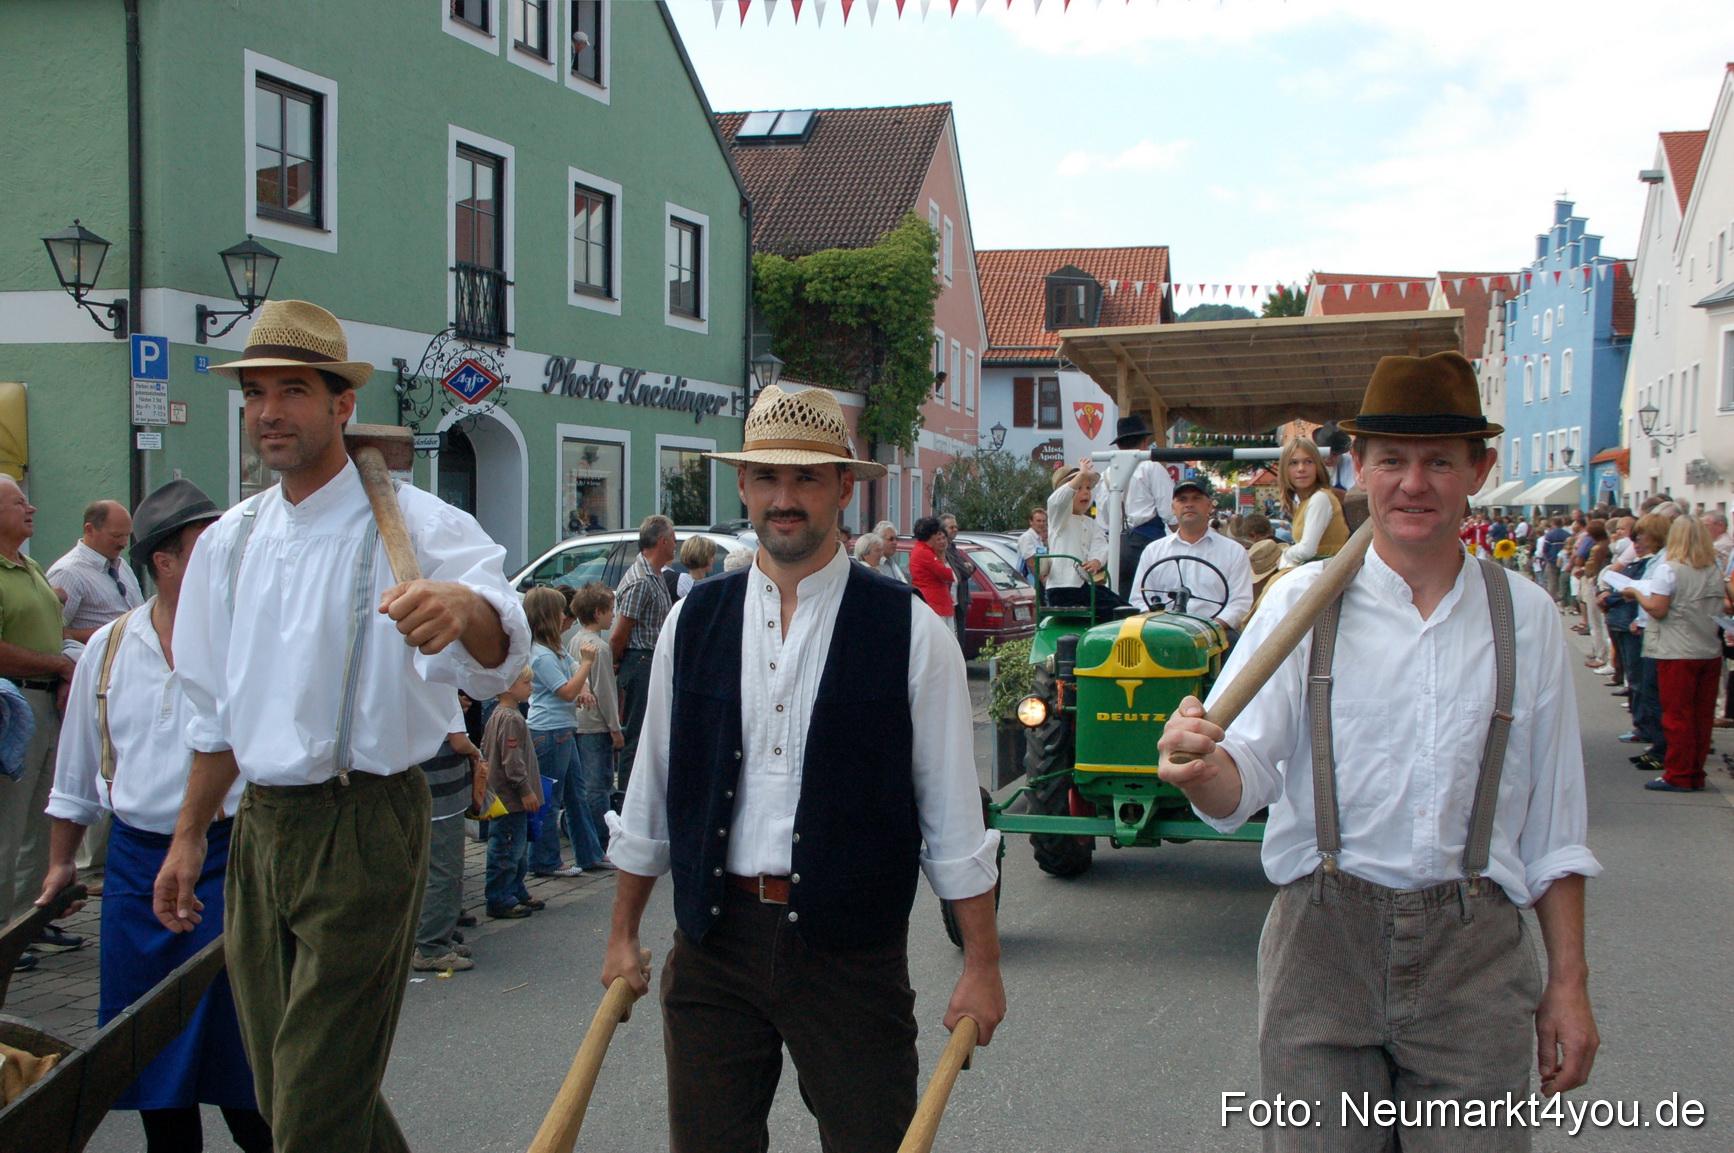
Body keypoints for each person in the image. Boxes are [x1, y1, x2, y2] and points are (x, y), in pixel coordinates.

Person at [1158, 351, 1601, 1150]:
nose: (1413, 483)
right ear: (1357, 467)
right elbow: (1242, 782)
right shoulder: (1299, 602)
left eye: (1439, 461)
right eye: (1391, 459)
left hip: (1478, 961)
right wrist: (1199, 768)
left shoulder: (1525, 618)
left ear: (1479, 469)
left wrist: (1568, 982)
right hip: (1322, 947)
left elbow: (1554, 830)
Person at [153, 300, 529, 1153]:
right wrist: (186, 840)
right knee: (295, 1086)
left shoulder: (415, 522)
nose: (271, 412)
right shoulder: (229, 542)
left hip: (364, 820)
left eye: (293, 391)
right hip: (261, 828)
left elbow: (505, 654)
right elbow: (212, 714)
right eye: (255, 394)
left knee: (314, 1106)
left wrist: (461, 606)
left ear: (341, 405)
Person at [601, 384, 1003, 1153]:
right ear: (744, 486)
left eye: (807, 478)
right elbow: (652, 791)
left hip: (850, 954)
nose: (784, 498)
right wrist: (623, 933)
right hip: (714, 944)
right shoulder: (697, 618)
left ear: (843, 488)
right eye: (767, 478)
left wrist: (980, 964)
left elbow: (955, 822)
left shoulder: (911, 632)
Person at [40, 479, 272, 1153]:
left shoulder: (247, 644)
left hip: (234, 860)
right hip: (138, 869)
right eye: (208, 549)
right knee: (150, 1063)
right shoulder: (108, 650)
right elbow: (76, 774)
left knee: (247, 1065)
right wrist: (61, 862)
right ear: (163, 561)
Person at [0, 475, 78, 973]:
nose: (31, 508)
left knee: (37, 824)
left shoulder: (26, 565)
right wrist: (58, 666)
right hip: (13, 708)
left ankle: (23, 923)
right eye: (18, 502)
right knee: (7, 826)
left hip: (45, 706)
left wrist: (66, 666)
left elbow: (55, 633)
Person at [1624, 516, 1723, 792]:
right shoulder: (1713, 569)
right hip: (1708, 648)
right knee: (1701, 716)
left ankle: (1678, 773)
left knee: (1677, 715)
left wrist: (1636, 593)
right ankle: (1694, 771)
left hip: (1677, 649)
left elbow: (1658, 608)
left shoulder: (1670, 569)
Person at [524, 587, 603, 878]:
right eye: (559, 611)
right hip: (548, 731)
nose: (563, 616)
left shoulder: (554, 649)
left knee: (576, 795)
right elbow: (567, 690)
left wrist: (582, 684)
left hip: (562, 731)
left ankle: (590, 853)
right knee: (550, 798)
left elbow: (573, 678)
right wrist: (586, 665)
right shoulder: (541, 655)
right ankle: (545, 860)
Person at [1130, 480, 1254, 633]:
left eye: (1196, 499)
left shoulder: (1234, 551)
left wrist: (1209, 629)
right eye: (1182, 500)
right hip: (1161, 634)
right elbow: (1139, 598)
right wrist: (1159, 627)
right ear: (1173, 508)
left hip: (1215, 635)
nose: (1189, 504)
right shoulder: (1153, 551)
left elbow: (1240, 602)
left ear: (1209, 506)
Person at [611, 515, 675, 794]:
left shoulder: (656, 574)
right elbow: (619, 632)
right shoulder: (641, 580)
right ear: (661, 541)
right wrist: (614, 662)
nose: (675, 545)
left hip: (650, 660)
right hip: (640, 661)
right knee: (635, 734)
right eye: (673, 539)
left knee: (648, 732)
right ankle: (626, 799)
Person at [413, 723, 483, 972]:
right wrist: (475, 750)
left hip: (433, 792)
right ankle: (431, 946)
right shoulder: (441, 690)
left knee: (438, 870)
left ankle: (439, 938)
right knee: (445, 871)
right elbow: (458, 741)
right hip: (441, 797)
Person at [568, 583, 622, 864]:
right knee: (598, 785)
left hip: (576, 721)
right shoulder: (600, 648)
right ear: (598, 612)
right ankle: (600, 843)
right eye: (611, 611)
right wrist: (615, 727)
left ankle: (587, 839)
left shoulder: (574, 640)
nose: (614, 616)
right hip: (595, 724)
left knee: (585, 784)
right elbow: (605, 692)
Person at [483, 668, 543, 919]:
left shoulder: (501, 715)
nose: (531, 687)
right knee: (506, 849)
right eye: (526, 683)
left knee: (517, 848)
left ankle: (516, 890)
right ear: (508, 687)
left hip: (508, 798)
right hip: (510, 798)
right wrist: (525, 790)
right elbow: (512, 761)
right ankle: (499, 897)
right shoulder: (510, 718)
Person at [1093, 415, 1174, 598]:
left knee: (1121, 600)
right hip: (1149, 544)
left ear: (1119, 446)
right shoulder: (1151, 468)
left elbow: (1103, 523)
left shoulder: (1106, 476)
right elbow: (1170, 513)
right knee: (1154, 599)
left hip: (1117, 548)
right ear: (1145, 443)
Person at [46, 498, 144, 645]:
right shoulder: (68, 573)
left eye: (127, 535)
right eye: (116, 536)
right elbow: (51, 632)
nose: (124, 543)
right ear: (89, 530)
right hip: (96, 663)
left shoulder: (121, 565)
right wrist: (110, 632)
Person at [1276, 437, 1348, 569]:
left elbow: (1307, 550)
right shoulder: (1305, 502)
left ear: (1317, 466)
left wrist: (1284, 554)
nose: (1301, 468)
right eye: (1293, 463)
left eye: (1308, 462)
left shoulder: (1319, 498)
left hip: (1324, 574)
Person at [1043, 459, 1110, 590]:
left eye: (1088, 488)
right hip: (1063, 586)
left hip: (1085, 585)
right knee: (1111, 607)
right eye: (1078, 488)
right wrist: (1081, 475)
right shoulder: (1059, 518)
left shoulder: (1090, 522)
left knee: (1120, 606)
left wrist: (1096, 561)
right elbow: (1057, 501)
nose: (1086, 492)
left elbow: (1099, 543)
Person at [909, 516, 956, 622]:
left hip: (937, 602)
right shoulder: (924, 552)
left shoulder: (925, 550)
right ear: (932, 534)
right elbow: (946, 574)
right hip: (934, 603)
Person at [940, 514, 976, 649]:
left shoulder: (953, 548)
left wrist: (967, 567)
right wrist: (966, 567)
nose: (955, 529)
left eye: (956, 526)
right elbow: (964, 571)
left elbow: (970, 568)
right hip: (951, 601)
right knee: (953, 641)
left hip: (960, 600)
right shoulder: (944, 550)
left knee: (959, 640)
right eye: (951, 527)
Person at [1016, 506, 1049, 580]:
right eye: (1038, 521)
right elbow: (1031, 563)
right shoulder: (1027, 537)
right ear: (1031, 522)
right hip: (1031, 582)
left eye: (1044, 521)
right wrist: (1042, 580)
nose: (1041, 524)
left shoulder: (1039, 539)